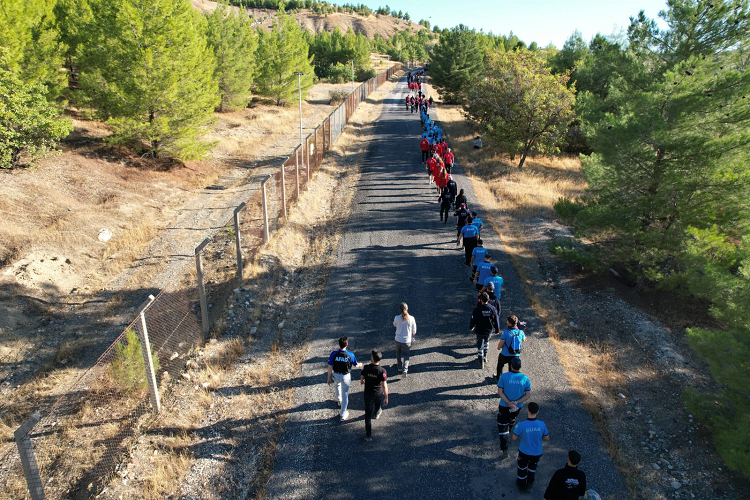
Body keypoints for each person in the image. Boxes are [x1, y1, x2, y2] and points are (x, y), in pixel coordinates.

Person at [497, 356, 531, 459]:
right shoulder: (525, 379)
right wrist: (515, 403)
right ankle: (510, 428)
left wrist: (508, 402)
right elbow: (527, 395)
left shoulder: (504, 376)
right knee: (512, 419)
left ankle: (505, 448)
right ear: (520, 366)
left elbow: (500, 392)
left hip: (504, 405)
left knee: (502, 426)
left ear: (511, 366)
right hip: (517, 407)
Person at [513, 402, 550, 491]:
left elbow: (514, 438)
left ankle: (521, 485)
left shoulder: (521, 424)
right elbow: (547, 438)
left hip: (524, 452)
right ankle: (530, 484)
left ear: (527, 410)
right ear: (537, 412)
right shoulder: (542, 424)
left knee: (522, 468)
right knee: (532, 467)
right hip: (537, 452)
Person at [327, 336, 363, 421]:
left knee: (337, 385)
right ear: (347, 345)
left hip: (336, 374)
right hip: (346, 376)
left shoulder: (334, 354)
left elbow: (329, 366)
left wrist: (328, 377)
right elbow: (356, 365)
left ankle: (339, 399)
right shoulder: (350, 355)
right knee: (345, 394)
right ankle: (343, 413)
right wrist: (361, 365)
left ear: (339, 344)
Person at [361, 350, 389, 442]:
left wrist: (362, 381)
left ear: (372, 358)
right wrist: (386, 397)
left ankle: (368, 435)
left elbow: (362, 376)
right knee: (378, 402)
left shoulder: (366, 367)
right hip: (378, 393)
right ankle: (377, 412)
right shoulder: (382, 371)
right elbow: (384, 385)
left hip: (368, 393)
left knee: (367, 414)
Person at [470, 292, 495, 368]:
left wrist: (471, 327)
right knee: (486, 342)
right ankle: (485, 356)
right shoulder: (492, 308)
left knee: (480, 343)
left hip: (480, 330)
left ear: (480, 300)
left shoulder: (477, 309)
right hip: (489, 330)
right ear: (488, 299)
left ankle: (480, 358)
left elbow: (473, 320)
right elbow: (496, 319)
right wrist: (497, 329)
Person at [394, 302, 417, 376]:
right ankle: (405, 369)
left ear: (399, 310)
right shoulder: (411, 318)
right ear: (407, 309)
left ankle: (399, 367)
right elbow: (414, 331)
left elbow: (394, 324)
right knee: (406, 355)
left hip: (398, 339)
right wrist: (413, 336)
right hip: (407, 341)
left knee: (398, 352)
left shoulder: (397, 318)